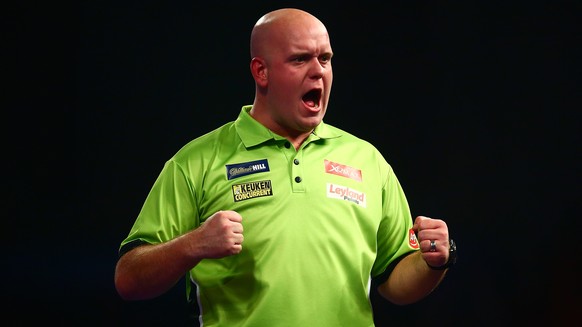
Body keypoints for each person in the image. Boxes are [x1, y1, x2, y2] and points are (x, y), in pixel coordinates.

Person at [115, 7, 456, 326]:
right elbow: (128, 279)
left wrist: (433, 262)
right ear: (261, 71)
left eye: (325, 58)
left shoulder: (367, 160)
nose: (318, 70)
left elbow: (394, 281)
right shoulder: (197, 161)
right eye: (300, 59)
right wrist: (194, 244)